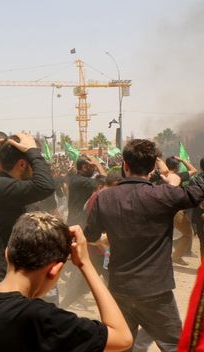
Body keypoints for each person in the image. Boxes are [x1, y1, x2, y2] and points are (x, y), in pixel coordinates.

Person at [85, 139, 204, 350]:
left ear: (125, 165)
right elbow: (198, 192)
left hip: (120, 286)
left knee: (122, 345)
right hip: (155, 289)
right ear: (152, 169)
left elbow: (91, 235)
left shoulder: (104, 198)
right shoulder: (163, 194)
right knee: (174, 346)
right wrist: (173, 181)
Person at [0, 212, 132, 352]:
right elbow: (122, 338)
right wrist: (85, 263)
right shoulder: (39, 317)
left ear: (7, 254)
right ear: (54, 270)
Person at [0, 132, 55, 293]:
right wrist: (32, 151)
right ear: (22, 164)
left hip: (2, 281)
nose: (36, 169)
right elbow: (45, 186)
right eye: (33, 163)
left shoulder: (3, 186)